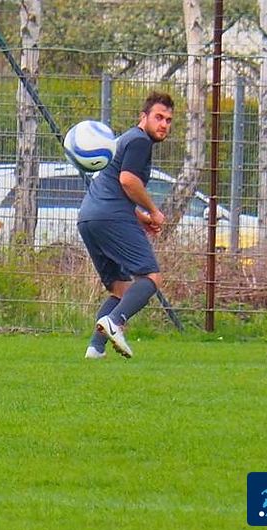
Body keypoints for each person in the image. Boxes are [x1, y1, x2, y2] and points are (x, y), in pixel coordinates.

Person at [78, 91, 174, 359]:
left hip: (89, 217)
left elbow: (115, 187)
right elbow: (128, 181)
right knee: (151, 277)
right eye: (158, 117)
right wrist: (153, 211)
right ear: (143, 117)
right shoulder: (140, 141)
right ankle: (114, 321)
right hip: (111, 216)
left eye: (168, 120)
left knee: (121, 289)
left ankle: (95, 349)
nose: (164, 124)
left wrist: (141, 219)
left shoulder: (125, 139)